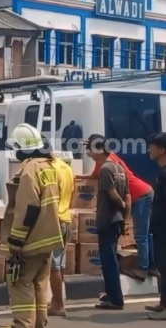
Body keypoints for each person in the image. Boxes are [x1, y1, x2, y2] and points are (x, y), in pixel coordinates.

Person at [2, 124, 63, 328]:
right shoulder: (48, 167)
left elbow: (29, 208)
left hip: (31, 239)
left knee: (20, 282)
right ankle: (38, 323)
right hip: (48, 237)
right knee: (39, 282)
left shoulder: (30, 169)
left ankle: (22, 324)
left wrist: (16, 240)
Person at [77, 134, 156, 279]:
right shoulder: (102, 161)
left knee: (141, 235)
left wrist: (123, 209)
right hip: (138, 194)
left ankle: (144, 268)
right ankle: (151, 265)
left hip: (140, 194)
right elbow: (95, 175)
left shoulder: (110, 161)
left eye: (90, 148)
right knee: (146, 234)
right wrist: (78, 177)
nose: (88, 152)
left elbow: (119, 188)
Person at [84, 135, 129, 310]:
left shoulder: (105, 169)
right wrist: (125, 217)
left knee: (108, 261)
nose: (88, 152)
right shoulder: (119, 168)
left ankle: (115, 300)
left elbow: (114, 195)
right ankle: (111, 295)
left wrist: (121, 205)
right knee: (110, 259)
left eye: (90, 148)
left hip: (107, 220)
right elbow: (128, 196)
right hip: (117, 220)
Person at [48, 152, 75, 316]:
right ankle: (57, 301)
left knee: (53, 266)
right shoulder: (66, 167)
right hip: (66, 218)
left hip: (55, 220)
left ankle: (58, 304)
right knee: (60, 265)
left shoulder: (50, 169)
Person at [146, 132, 166, 320]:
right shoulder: (161, 173)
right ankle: (163, 303)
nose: (149, 150)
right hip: (160, 229)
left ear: (161, 149)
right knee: (162, 266)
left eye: (152, 146)